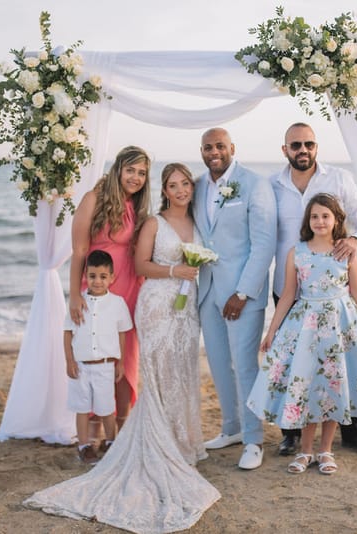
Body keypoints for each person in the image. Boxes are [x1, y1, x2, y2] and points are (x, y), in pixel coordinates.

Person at [25, 163, 220, 532]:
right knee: (157, 373)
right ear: (164, 189)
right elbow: (140, 264)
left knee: (182, 372)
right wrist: (176, 272)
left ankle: (182, 441)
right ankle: (136, 438)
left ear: (192, 189)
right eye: (171, 184)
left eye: (184, 184)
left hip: (185, 307)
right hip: (154, 303)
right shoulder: (150, 221)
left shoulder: (199, 222)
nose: (179, 189)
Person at [247, 193, 357, 475]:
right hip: (306, 327)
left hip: (340, 327)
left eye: (325, 216)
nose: (319, 221)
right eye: (314, 216)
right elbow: (288, 295)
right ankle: (305, 451)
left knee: (335, 386)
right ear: (307, 221)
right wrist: (271, 331)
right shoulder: (297, 252)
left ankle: (325, 451)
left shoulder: (346, 252)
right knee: (309, 386)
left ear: (336, 220)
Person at [269, 122, 357, 458]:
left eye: (309, 144)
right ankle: (290, 433)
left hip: (333, 294)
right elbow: (263, 236)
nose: (302, 150)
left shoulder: (339, 179)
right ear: (285, 150)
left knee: (342, 361)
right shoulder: (271, 185)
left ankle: (353, 432)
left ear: (316, 147)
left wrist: (354, 240)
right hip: (290, 288)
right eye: (295, 145)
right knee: (292, 364)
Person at [194, 127, 276, 470]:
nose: (215, 152)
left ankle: (254, 439)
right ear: (202, 151)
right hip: (209, 289)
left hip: (242, 295)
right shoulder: (197, 186)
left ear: (232, 148)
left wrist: (242, 293)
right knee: (218, 365)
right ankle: (230, 427)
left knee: (244, 367)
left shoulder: (255, 184)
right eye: (208, 147)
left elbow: (264, 245)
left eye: (220, 146)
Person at [68, 145, 150, 434]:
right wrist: (75, 295)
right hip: (96, 291)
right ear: (118, 169)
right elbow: (79, 250)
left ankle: (121, 433)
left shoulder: (137, 207)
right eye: (131, 170)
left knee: (125, 360)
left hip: (129, 292)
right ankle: (92, 434)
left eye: (142, 173)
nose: (136, 177)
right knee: (95, 356)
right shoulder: (94, 199)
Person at [64, 250, 132, 464]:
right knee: (82, 408)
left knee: (106, 408)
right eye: (92, 276)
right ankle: (84, 445)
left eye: (103, 276)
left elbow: (122, 333)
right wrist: (69, 361)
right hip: (81, 366)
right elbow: (67, 332)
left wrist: (120, 362)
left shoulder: (118, 303)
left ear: (112, 277)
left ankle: (111, 441)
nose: (98, 281)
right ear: (86, 276)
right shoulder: (78, 303)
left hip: (105, 366)